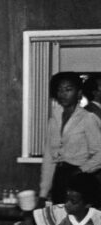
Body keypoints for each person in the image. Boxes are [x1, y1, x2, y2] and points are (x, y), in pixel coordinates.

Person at [39, 72, 101, 205]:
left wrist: (81, 170)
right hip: (60, 177)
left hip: (81, 181)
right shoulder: (53, 120)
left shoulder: (88, 118)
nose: (63, 94)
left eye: (68, 89)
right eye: (59, 90)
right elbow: (49, 158)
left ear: (78, 93)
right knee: (59, 220)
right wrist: (43, 194)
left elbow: (100, 153)